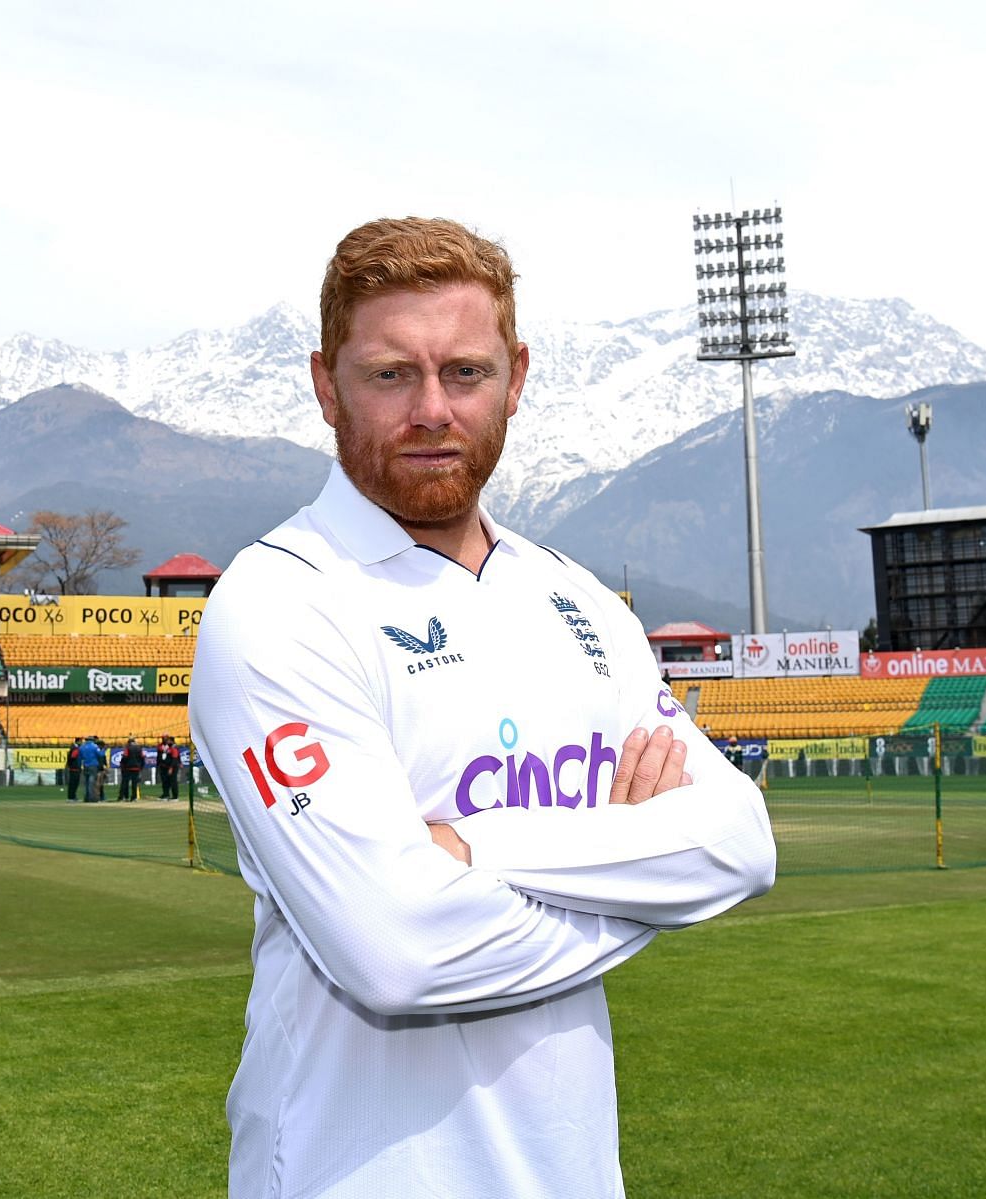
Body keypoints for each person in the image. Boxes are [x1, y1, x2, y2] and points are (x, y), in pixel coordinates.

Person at [189, 217, 777, 1198]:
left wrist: (477, 850)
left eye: (464, 372)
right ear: (326, 384)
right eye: (389, 375)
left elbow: (741, 840)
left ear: (517, 376)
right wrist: (636, 875)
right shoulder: (280, 602)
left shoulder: (577, 601)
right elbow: (397, 953)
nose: (431, 407)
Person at [77, 734, 105, 802]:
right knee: (92, 782)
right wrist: (103, 750)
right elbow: (101, 754)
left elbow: (79, 758)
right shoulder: (94, 747)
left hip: (85, 765)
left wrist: (80, 766)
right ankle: (92, 798)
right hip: (93, 765)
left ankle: (86, 797)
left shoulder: (82, 747)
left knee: (86, 782)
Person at [156, 735, 181, 800]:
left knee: (173, 781)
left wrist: (171, 768)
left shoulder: (174, 747)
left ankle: (175, 796)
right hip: (165, 767)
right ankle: (166, 795)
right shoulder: (168, 747)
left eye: (168, 740)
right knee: (166, 781)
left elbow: (174, 759)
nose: (167, 741)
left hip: (172, 767)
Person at [119, 736, 144, 801]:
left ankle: (123, 797)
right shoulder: (139, 748)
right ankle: (134, 797)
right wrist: (141, 766)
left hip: (128, 768)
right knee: (134, 783)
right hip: (136, 768)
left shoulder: (128, 748)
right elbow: (142, 757)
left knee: (125, 783)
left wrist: (123, 765)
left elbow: (125, 757)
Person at [65, 737, 84, 801]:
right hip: (75, 768)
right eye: (81, 741)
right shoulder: (76, 749)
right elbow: (72, 757)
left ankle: (72, 797)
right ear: (78, 741)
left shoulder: (73, 748)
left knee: (73, 783)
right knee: (74, 783)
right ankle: (72, 797)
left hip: (73, 768)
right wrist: (73, 766)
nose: (82, 743)